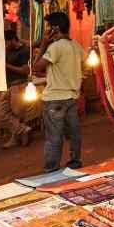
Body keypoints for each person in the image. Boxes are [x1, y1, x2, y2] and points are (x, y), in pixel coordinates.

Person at [33, 12, 85, 171]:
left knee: (54, 137)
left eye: (48, 27)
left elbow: (36, 67)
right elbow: (81, 67)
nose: (46, 30)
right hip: (71, 97)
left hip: (54, 99)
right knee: (74, 133)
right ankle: (75, 162)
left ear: (54, 29)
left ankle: (52, 169)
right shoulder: (76, 46)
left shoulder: (55, 47)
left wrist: (43, 44)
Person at [0, 29, 32, 148]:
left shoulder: (23, 51)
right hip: (8, 86)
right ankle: (23, 130)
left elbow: (25, 71)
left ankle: (16, 138)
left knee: (17, 113)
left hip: (19, 85)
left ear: (13, 40)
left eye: (7, 43)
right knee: (2, 113)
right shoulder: (7, 51)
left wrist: (7, 66)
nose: (6, 45)